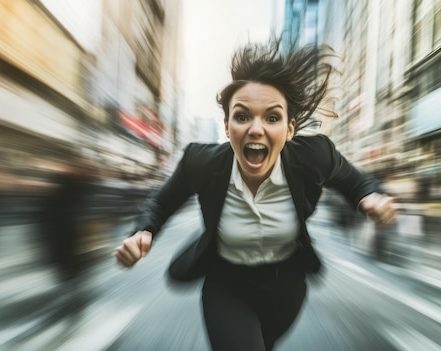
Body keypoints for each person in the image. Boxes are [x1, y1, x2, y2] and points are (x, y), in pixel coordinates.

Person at [114, 37, 397, 351]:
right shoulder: (201, 163)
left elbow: (356, 183)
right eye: (242, 116)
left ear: (289, 129)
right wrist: (142, 231)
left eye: (272, 118)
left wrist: (372, 199)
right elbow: (161, 203)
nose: (256, 129)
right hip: (226, 284)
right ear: (227, 125)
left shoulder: (314, 155)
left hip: (287, 286)